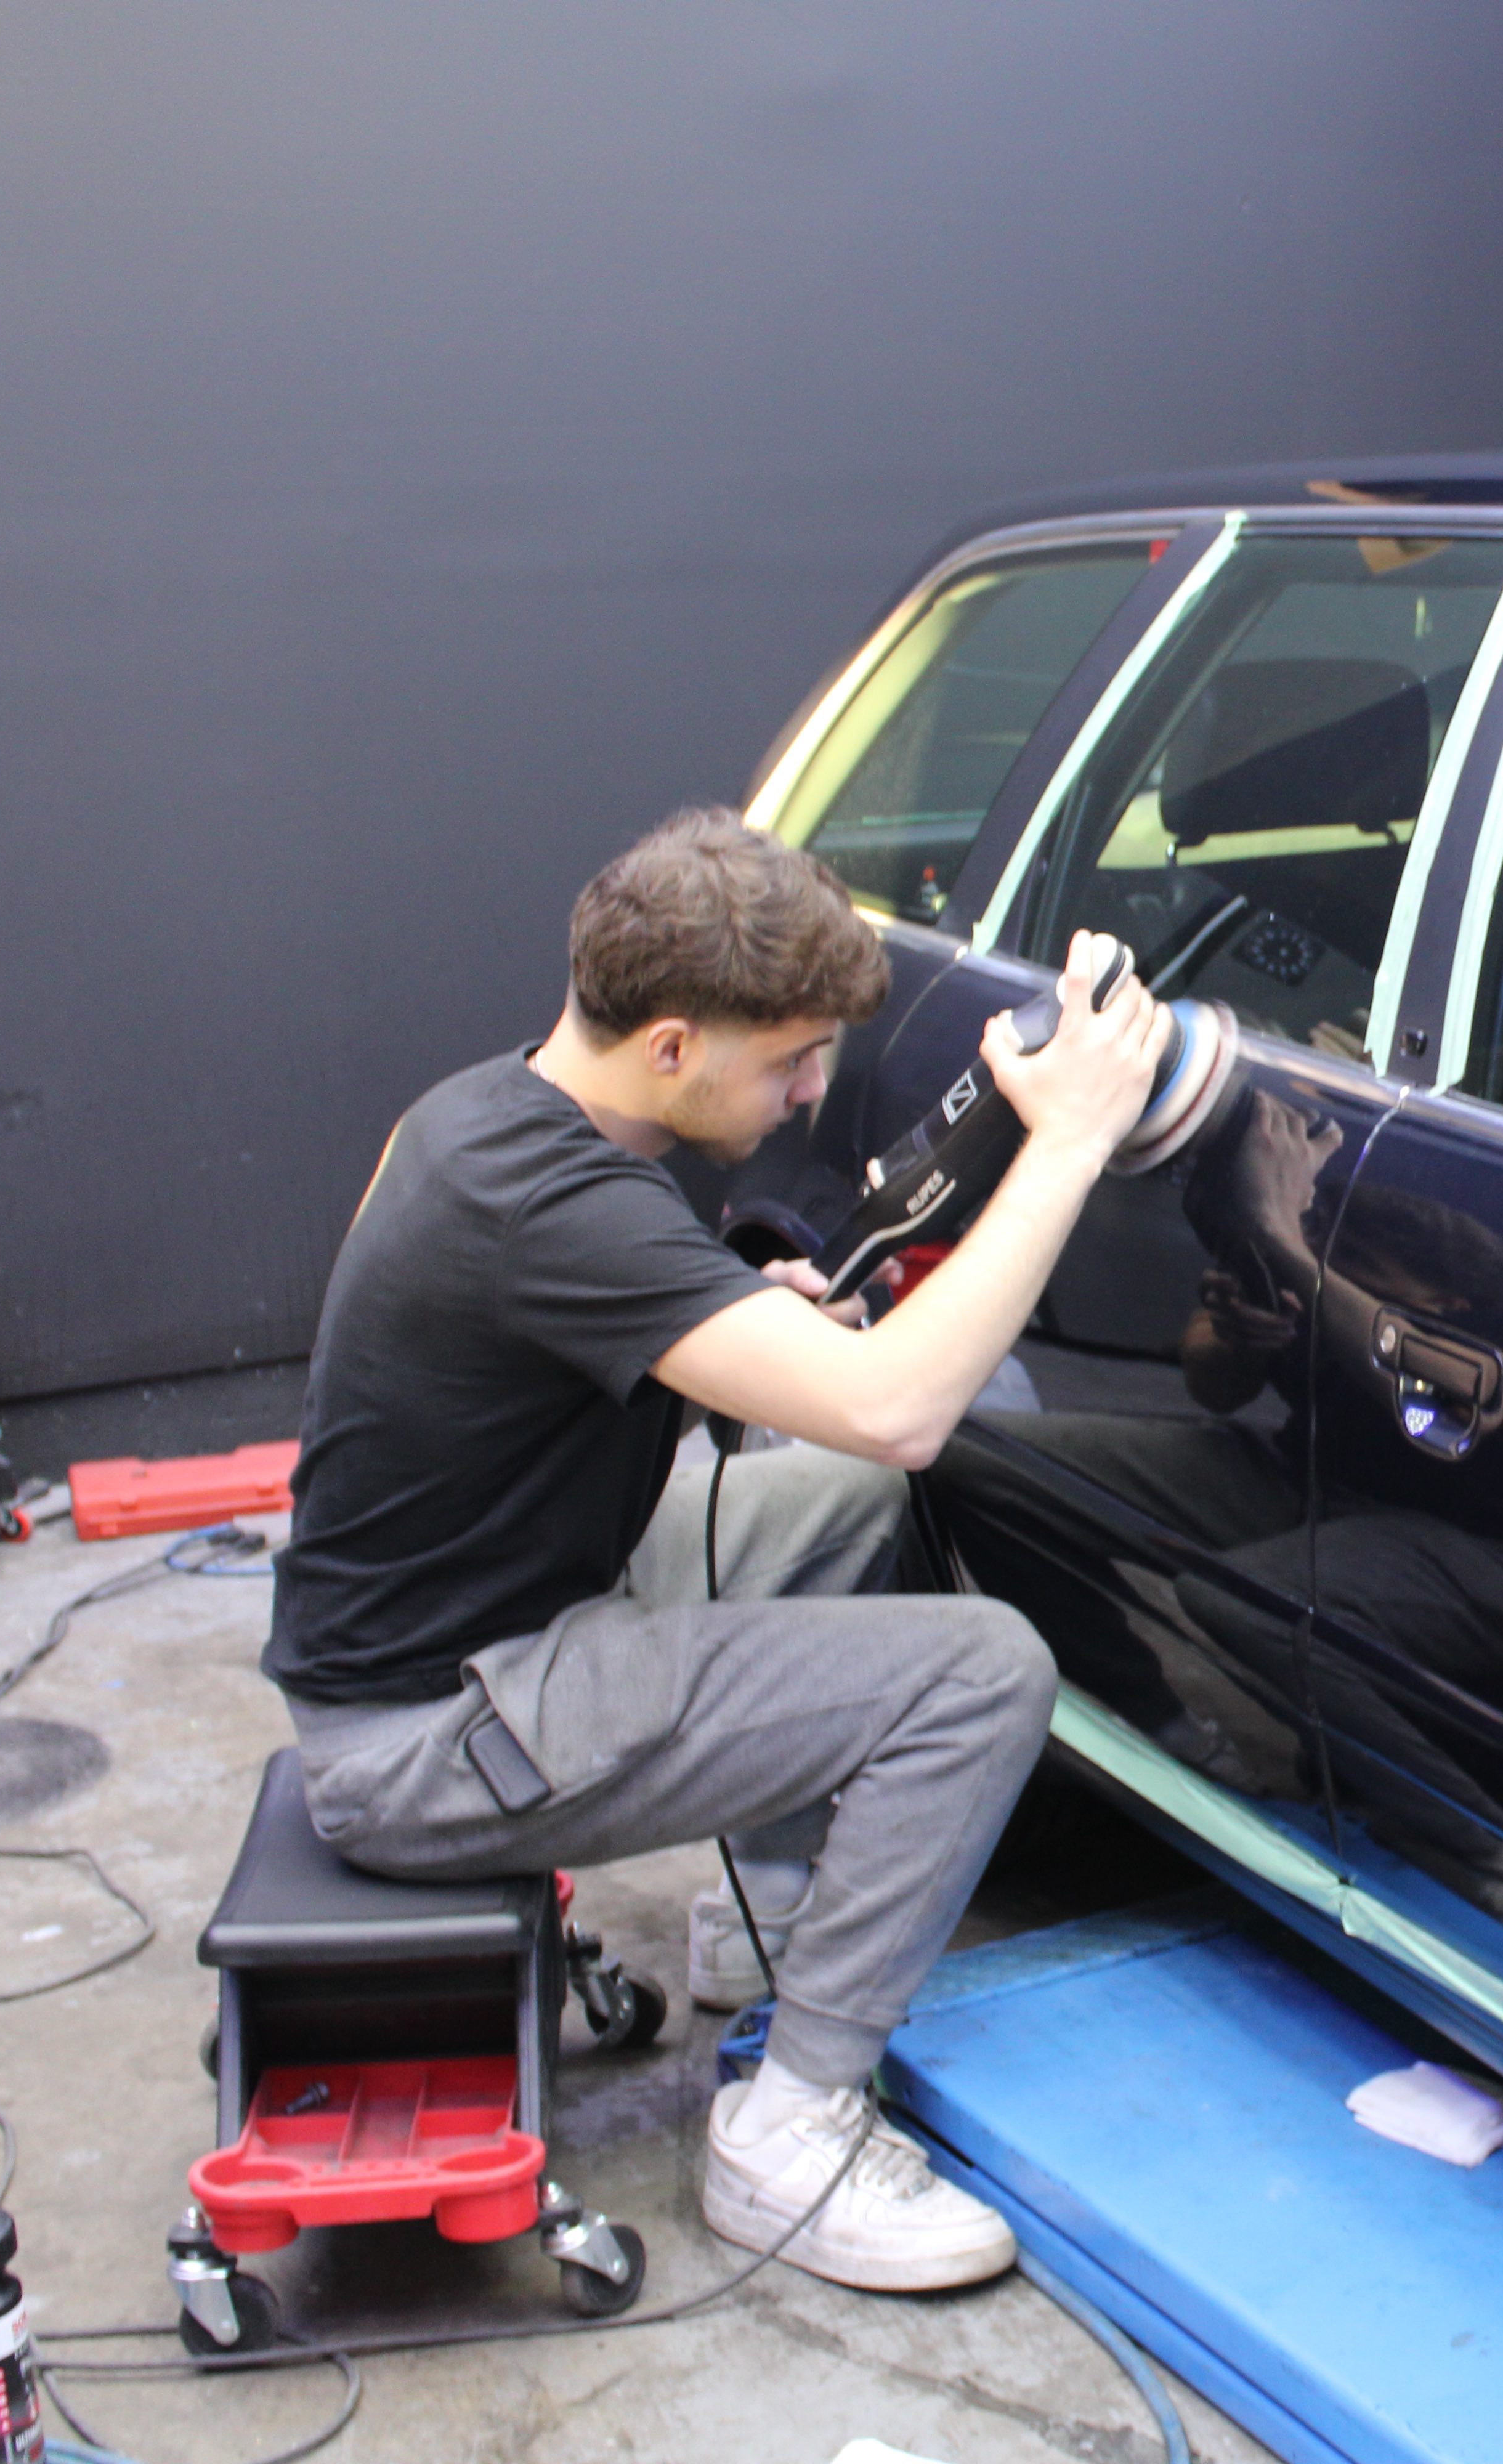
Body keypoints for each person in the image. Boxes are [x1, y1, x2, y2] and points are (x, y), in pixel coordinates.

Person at [261, 806, 1167, 2293]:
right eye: (791, 1060)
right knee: (983, 1670)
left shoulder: (484, 1113)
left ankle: (782, 1922)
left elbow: (504, 1361)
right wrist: (1069, 1139)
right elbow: (901, 1409)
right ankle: (789, 2127)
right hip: (429, 1735)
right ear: (672, 1044)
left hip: (483, 1624)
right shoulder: (555, 1201)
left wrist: (725, 1318)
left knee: (845, 1494)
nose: (811, 1092)